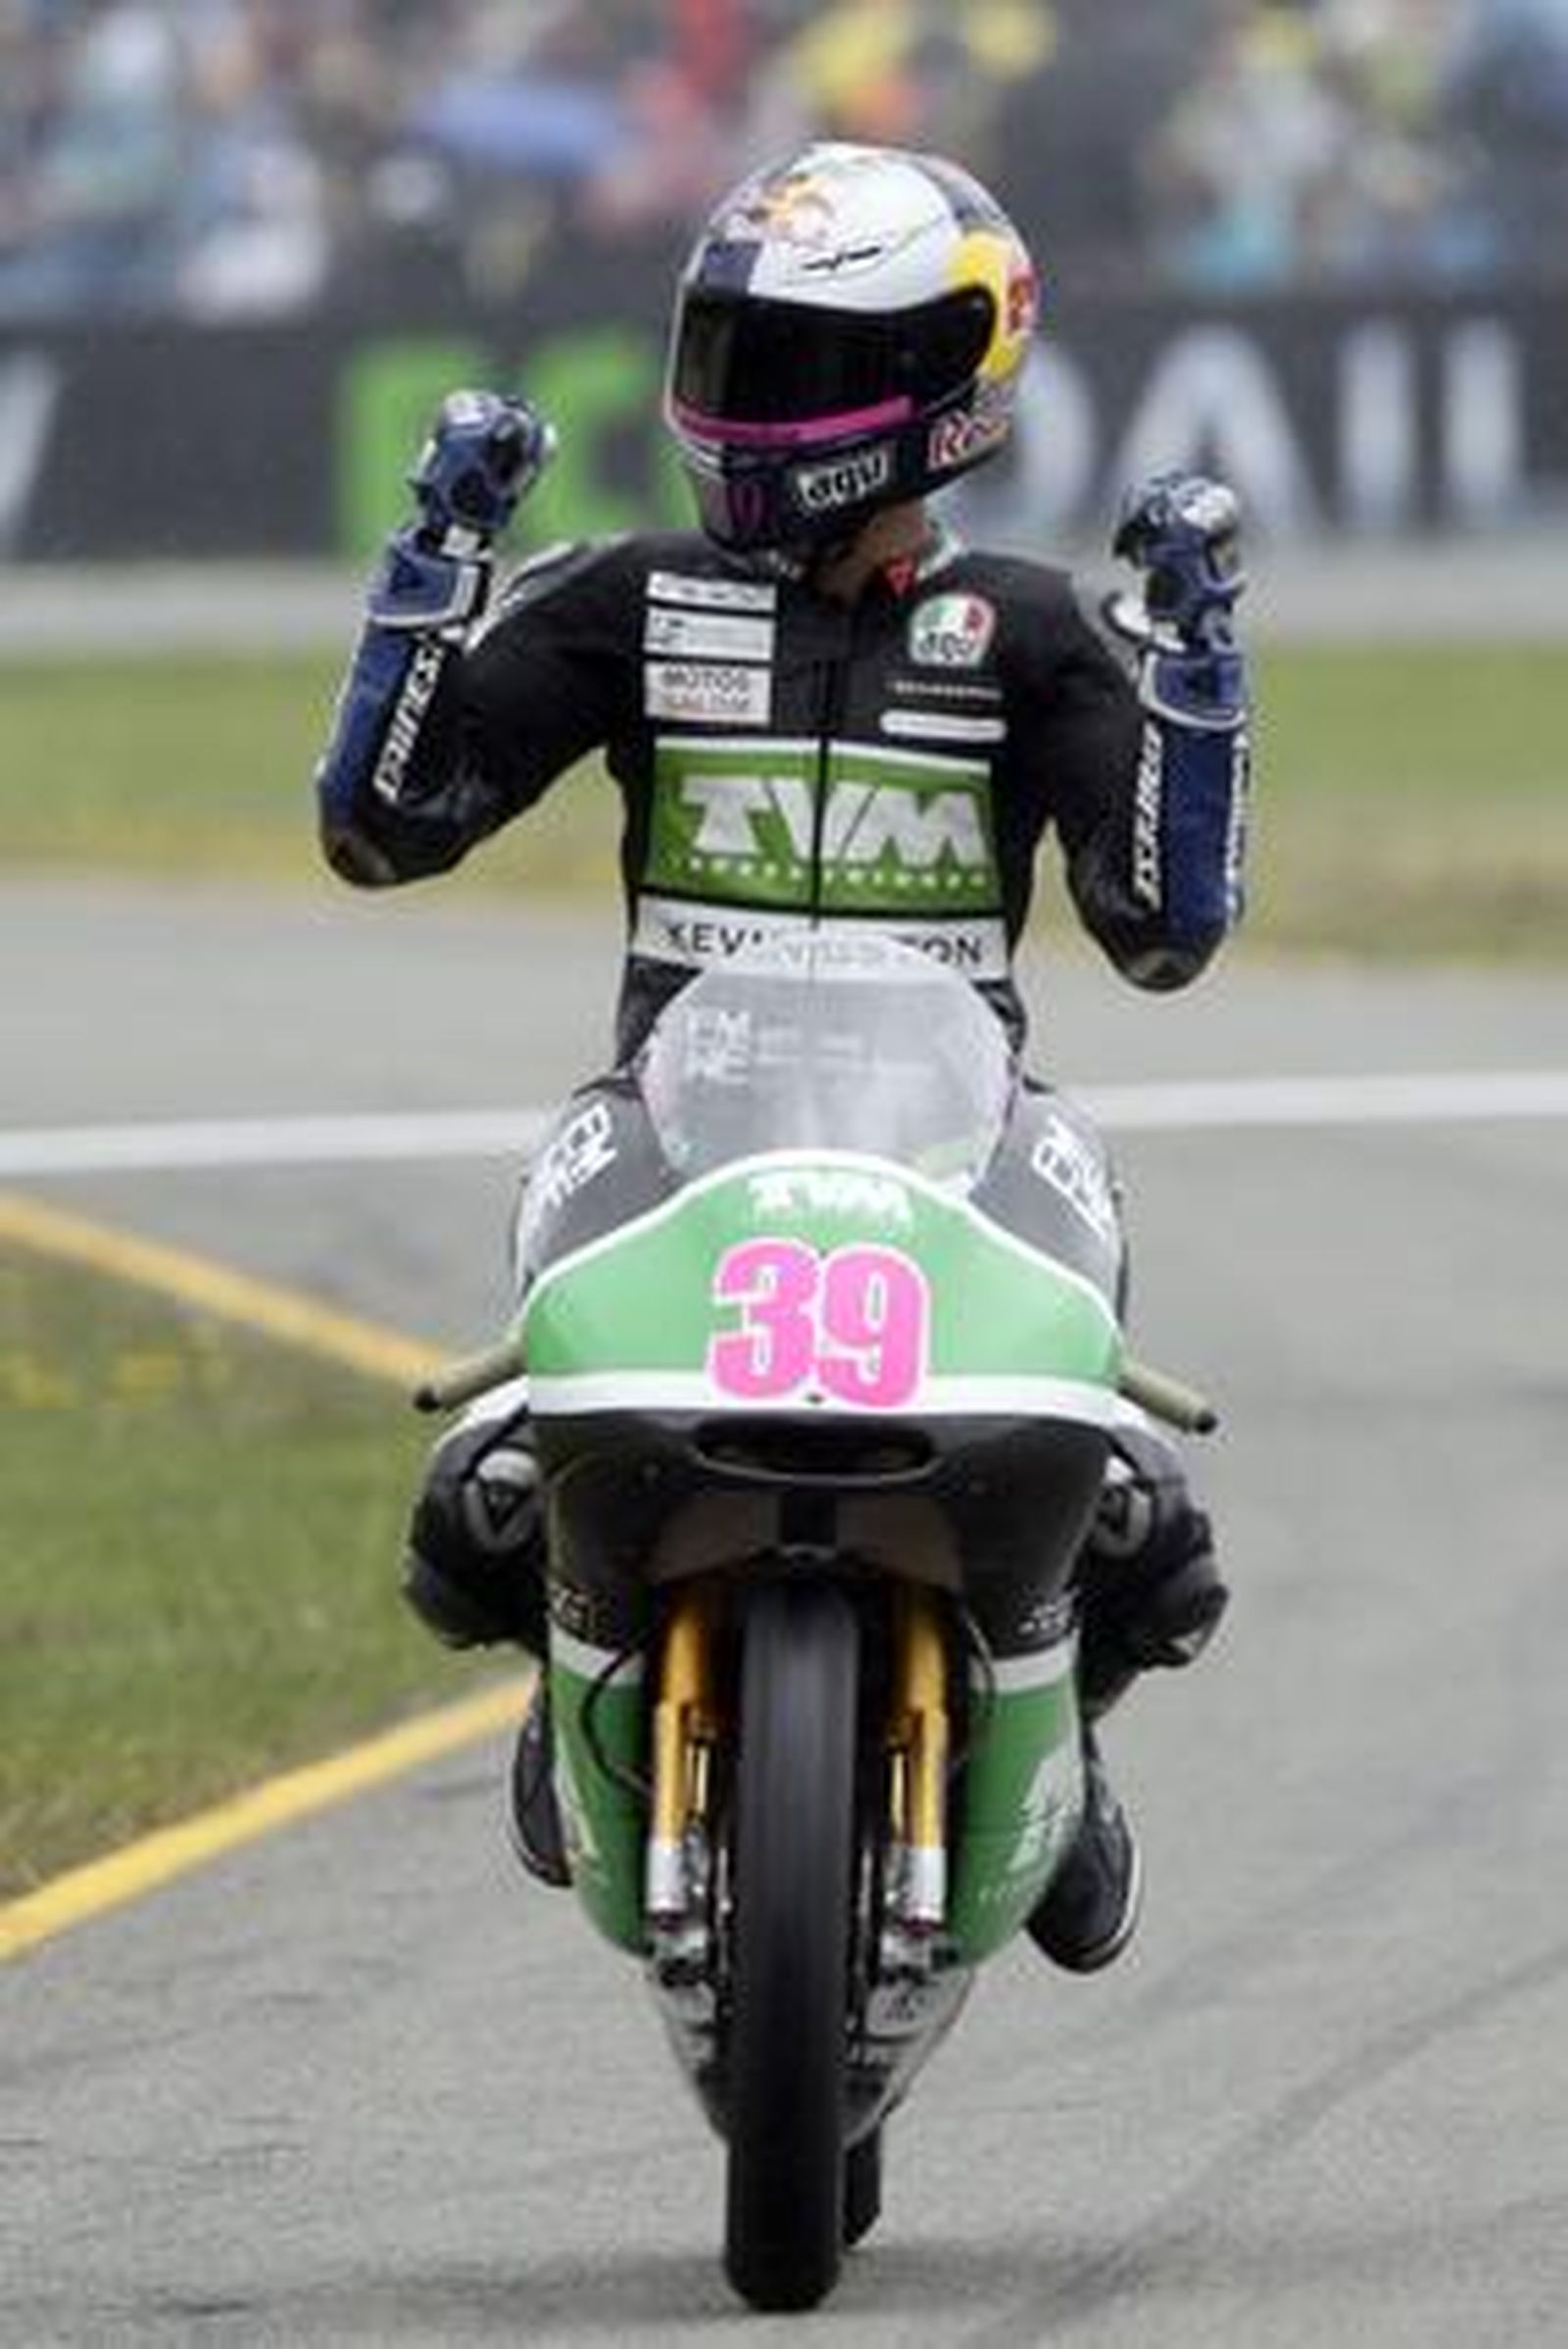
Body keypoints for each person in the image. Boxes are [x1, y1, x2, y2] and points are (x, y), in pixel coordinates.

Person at [315, 141, 1245, 1974]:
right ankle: (578, 1659)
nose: (740, 406)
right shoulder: (630, 600)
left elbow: (1162, 929)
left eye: (794, 368)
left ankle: (1057, 1745)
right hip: (675, 1136)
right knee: (469, 1516)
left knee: (1153, 1533)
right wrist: (435, 561)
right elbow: (385, 824)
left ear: (946, 381)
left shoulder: (1032, 634)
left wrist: (1199, 668)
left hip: (960, 1150)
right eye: (726, 354)